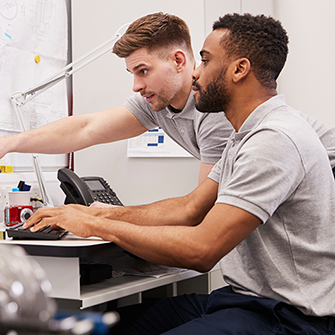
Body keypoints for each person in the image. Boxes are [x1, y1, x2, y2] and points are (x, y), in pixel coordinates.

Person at [25, 13, 335, 334]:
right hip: (243, 298)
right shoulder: (244, 135)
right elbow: (189, 208)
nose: (196, 73)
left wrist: (96, 226)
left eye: (204, 60)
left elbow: (202, 250)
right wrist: (101, 217)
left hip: (291, 316)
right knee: (108, 328)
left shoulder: (273, 139)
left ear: (239, 69)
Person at [0, 12, 335, 189]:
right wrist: (11, 143)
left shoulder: (215, 108)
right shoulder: (157, 102)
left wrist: (105, 221)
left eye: (143, 71)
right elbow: (87, 129)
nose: (136, 85)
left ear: (178, 61)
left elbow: (199, 210)